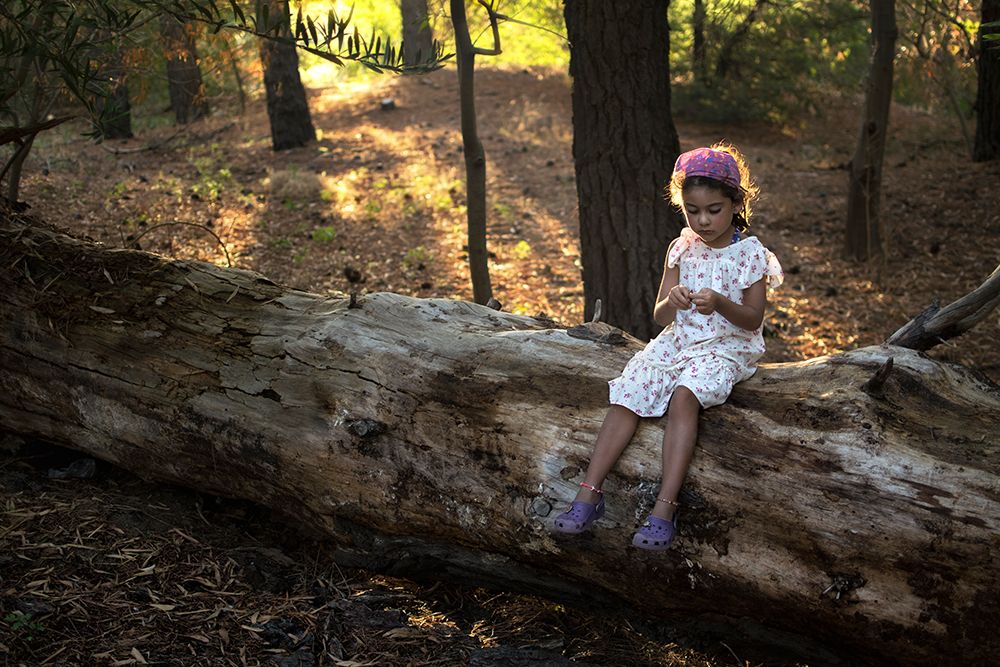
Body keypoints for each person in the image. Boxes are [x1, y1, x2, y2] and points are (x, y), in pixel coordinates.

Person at [552, 143, 783, 550]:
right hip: (679, 340)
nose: (702, 220)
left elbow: (752, 320)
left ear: (735, 203)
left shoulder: (750, 255)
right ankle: (589, 491)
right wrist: (672, 301)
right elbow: (659, 316)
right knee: (628, 391)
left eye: (713, 209)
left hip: (726, 345)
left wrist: (721, 303)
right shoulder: (681, 247)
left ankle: (664, 507)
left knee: (682, 397)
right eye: (692, 210)